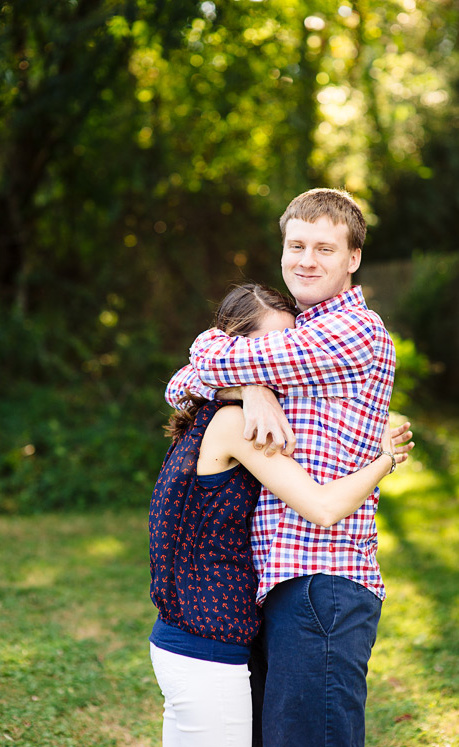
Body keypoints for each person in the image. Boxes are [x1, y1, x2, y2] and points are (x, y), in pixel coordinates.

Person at [164, 188, 396, 746]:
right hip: (279, 581)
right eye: (297, 245)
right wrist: (249, 387)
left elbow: (208, 355)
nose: (307, 259)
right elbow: (179, 388)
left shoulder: (352, 332)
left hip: (324, 579)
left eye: (324, 247)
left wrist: (238, 373)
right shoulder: (295, 329)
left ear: (353, 258)